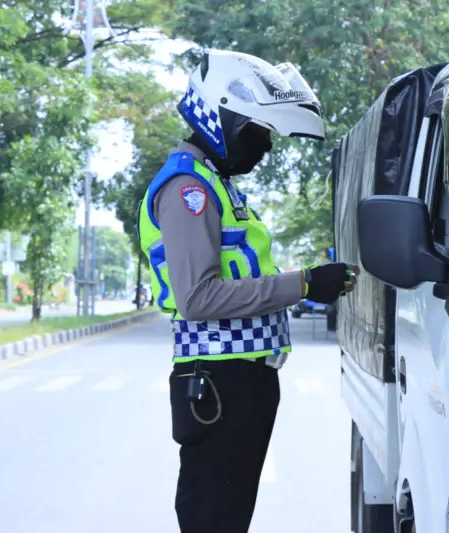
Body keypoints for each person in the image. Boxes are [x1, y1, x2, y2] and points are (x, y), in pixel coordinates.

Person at [135, 50, 359, 533]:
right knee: (214, 519)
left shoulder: (216, 183)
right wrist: (303, 284)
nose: (267, 147)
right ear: (224, 121)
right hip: (219, 381)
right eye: (259, 132)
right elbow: (198, 298)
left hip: (241, 381)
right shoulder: (186, 189)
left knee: (228, 518)